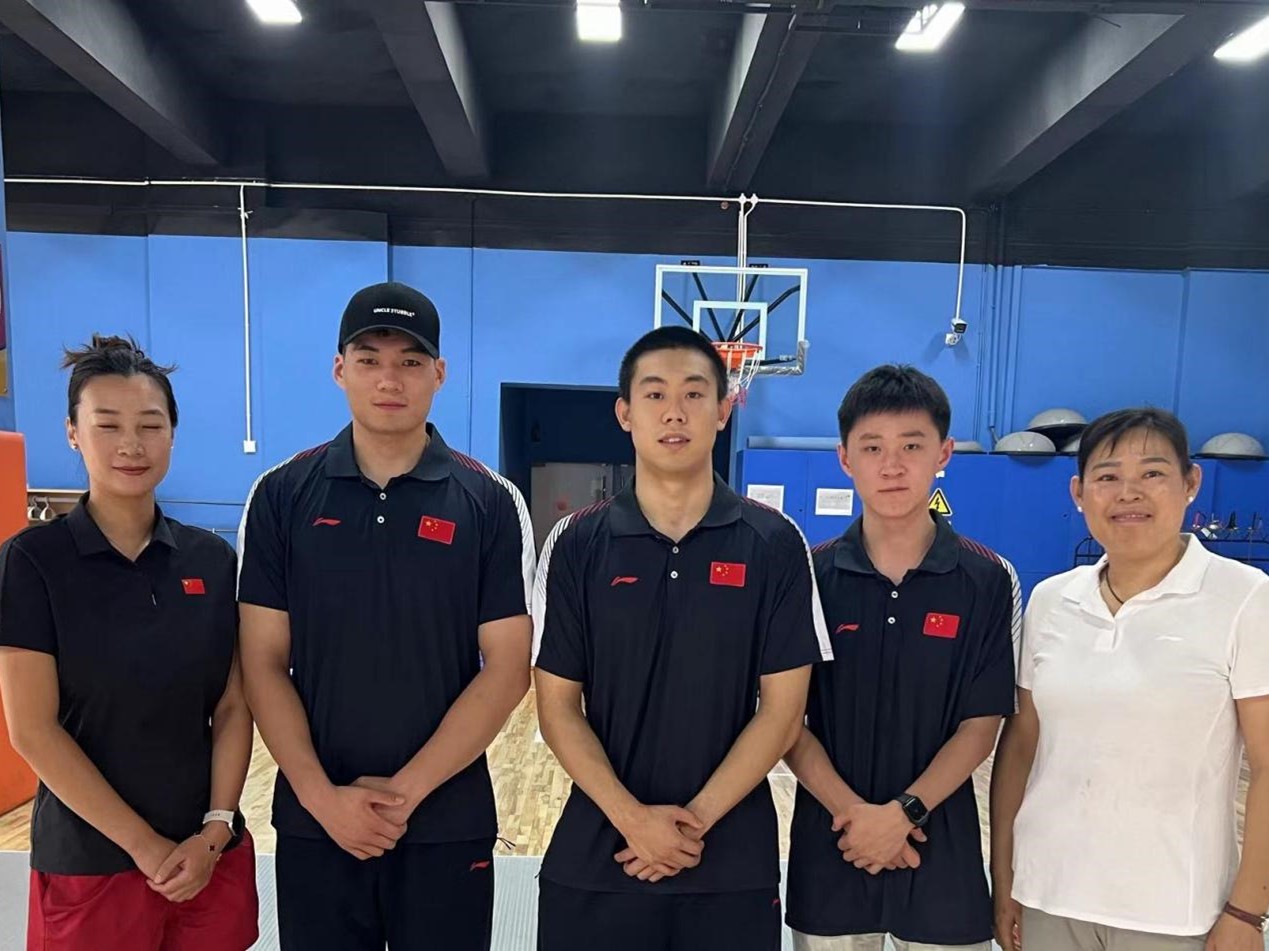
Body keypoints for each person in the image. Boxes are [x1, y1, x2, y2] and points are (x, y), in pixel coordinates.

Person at [237, 282, 535, 951]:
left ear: (439, 373)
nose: (389, 379)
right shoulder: (281, 494)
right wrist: (321, 797)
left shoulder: (489, 501)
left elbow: (507, 667)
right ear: (339, 368)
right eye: (369, 359)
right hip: (317, 820)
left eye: (409, 361)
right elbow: (261, 661)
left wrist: (405, 794)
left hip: (446, 820)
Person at [532, 325, 832, 951]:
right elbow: (557, 705)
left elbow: (783, 712)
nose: (675, 412)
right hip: (599, 853)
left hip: (730, 862)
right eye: (655, 394)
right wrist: (633, 821)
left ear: (724, 410)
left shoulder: (775, 543)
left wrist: (689, 825)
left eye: (695, 394)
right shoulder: (577, 542)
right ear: (625, 414)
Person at [0, 335, 258, 951]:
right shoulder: (31, 563)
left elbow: (232, 704)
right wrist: (145, 847)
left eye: (150, 424)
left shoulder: (211, 559)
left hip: (206, 853)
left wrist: (214, 832)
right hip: (92, 863)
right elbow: (31, 729)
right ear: (73, 433)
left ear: (172, 433)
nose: (131, 444)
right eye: (107, 424)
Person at [991, 407, 1269, 951]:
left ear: (1191, 483)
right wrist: (1006, 880)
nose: (1129, 493)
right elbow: (1021, 746)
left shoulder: (1244, 598)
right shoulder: (1051, 600)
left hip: (1175, 912)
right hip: (1049, 897)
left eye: (1153, 473)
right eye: (1108, 476)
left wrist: (1247, 910)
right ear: (1079, 492)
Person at [784, 365, 1020, 951]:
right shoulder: (807, 576)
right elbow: (785, 720)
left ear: (943, 453)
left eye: (911, 446)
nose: (892, 466)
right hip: (833, 846)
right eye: (873, 448)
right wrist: (855, 816)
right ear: (845, 459)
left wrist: (903, 814)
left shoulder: (986, 579)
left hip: (942, 854)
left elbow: (981, 725)